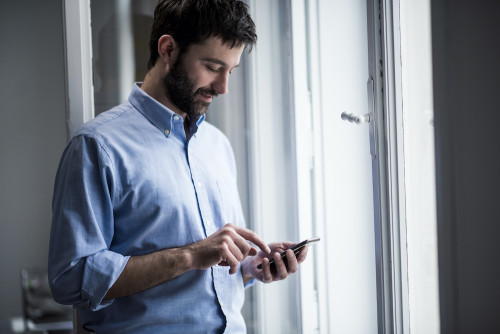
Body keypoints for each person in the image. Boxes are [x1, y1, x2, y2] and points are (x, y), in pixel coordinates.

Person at [48, 0, 309, 333]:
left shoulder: (218, 145)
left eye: (231, 70)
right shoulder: (98, 147)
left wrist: (253, 266)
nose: (223, 87)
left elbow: (221, 260)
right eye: (213, 66)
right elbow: (69, 277)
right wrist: (188, 256)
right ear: (168, 49)